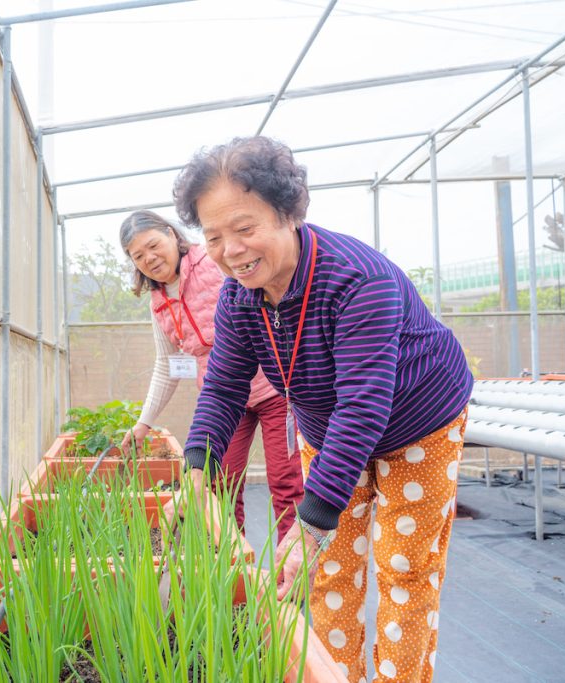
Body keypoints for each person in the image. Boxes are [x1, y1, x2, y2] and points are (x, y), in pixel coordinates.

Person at [170, 136, 473, 683]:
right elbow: (223, 387)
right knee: (328, 568)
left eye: (244, 228)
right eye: (213, 237)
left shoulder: (357, 280)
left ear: (289, 212)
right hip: (329, 426)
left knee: (405, 568)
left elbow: (364, 403)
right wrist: (196, 469)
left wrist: (311, 522)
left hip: (420, 420)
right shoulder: (240, 296)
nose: (231, 250)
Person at [117, 209, 303, 540]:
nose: (149, 258)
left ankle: (295, 582)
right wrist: (142, 425)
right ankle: (234, 573)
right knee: (219, 483)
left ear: (171, 235)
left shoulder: (214, 264)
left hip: (274, 388)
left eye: (153, 245)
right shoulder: (158, 300)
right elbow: (166, 364)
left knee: (286, 481)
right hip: (225, 398)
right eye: (138, 255)